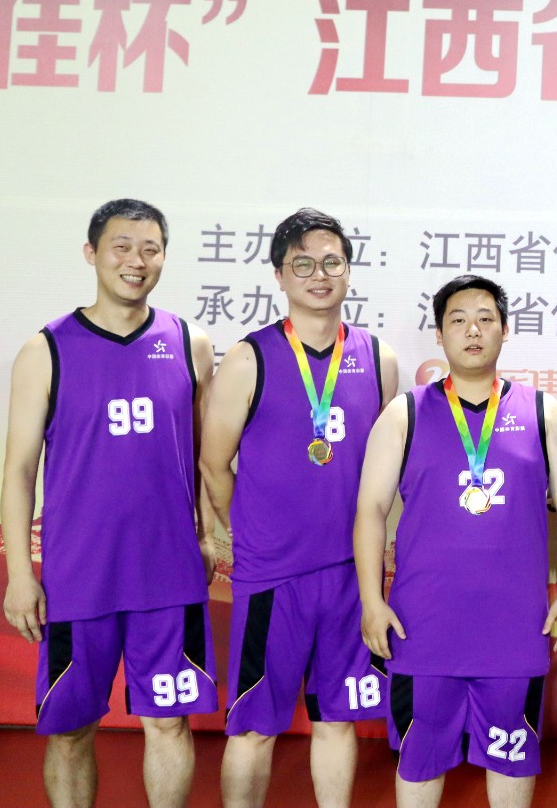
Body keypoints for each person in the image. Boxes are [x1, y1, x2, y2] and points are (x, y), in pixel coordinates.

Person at [0, 198, 217, 808]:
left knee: (169, 722)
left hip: (168, 572)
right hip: (79, 576)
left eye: (150, 249)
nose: (136, 261)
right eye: (121, 246)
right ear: (92, 253)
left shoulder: (190, 343)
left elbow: (202, 456)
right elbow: (18, 472)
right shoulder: (46, 349)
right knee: (71, 730)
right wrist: (20, 575)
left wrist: (206, 536)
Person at [355, 275, 557, 808]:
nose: (473, 330)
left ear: (505, 329)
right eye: (458, 320)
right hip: (422, 627)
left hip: (515, 629)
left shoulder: (542, 413)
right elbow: (369, 510)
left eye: (486, 319)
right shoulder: (405, 413)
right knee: (419, 765)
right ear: (440, 335)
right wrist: (371, 600)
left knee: (511, 761)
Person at [198, 208, 399, 808]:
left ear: (349, 271)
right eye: (303, 264)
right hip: (273, 576)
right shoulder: (249, 358)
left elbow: (385, 471)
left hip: (351, 575)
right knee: (254, 725)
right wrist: (250, 532)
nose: (320, 275)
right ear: (280, 276)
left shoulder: (379, 358)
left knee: (338, 720)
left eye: (332, 262)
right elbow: (214, 464)